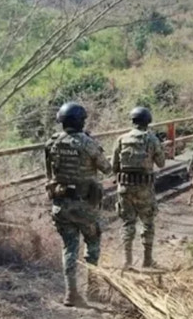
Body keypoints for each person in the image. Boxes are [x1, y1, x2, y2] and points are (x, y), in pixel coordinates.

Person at [44, 102, 111, 307]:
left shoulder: (52, 143)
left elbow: (50, 174)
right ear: (81, 121)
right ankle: (92, 290)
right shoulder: (86, 142)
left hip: (61, 204)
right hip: (85, 205)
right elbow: (107, 168)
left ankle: (70, 293)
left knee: (69, 248)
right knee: (92, 244)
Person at [112, 107, 166, 268]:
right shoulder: (152, 139)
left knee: (128, 223)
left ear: (132, 120)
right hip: (144, 188)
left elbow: (114, 166)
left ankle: (127, 261)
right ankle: (147, 260)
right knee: (147, 222)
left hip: (125, 188)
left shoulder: (121, 139)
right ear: (147, 121)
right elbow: (161, 163)